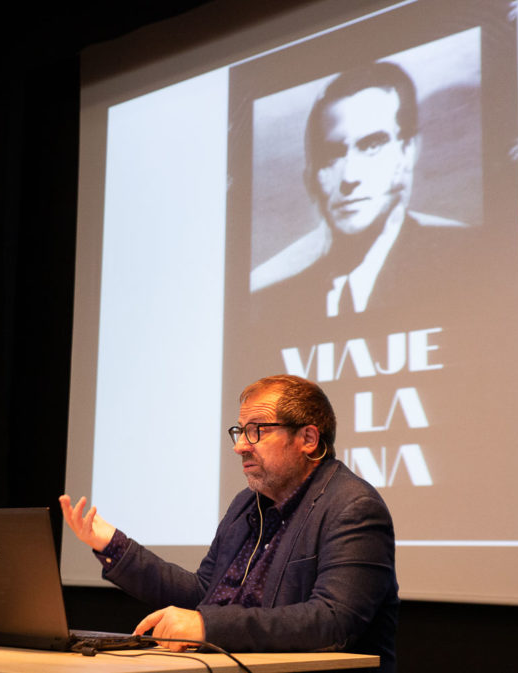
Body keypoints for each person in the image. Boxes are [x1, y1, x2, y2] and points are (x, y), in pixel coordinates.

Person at [60, 375, 398, 671]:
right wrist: (113, 545)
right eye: (239, 432)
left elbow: (334, 621)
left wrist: (206, 626)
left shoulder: (353, 507)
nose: (239, 447)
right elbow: (203, 594)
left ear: (308, 439)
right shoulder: (246, 505)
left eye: (256, 432)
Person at [250, 61, 466, 319]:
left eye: (371, 146)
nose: (349, 177)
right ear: (311, 178)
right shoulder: (270, 305)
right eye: (332, 155)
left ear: (407, 152)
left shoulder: (468, 262)